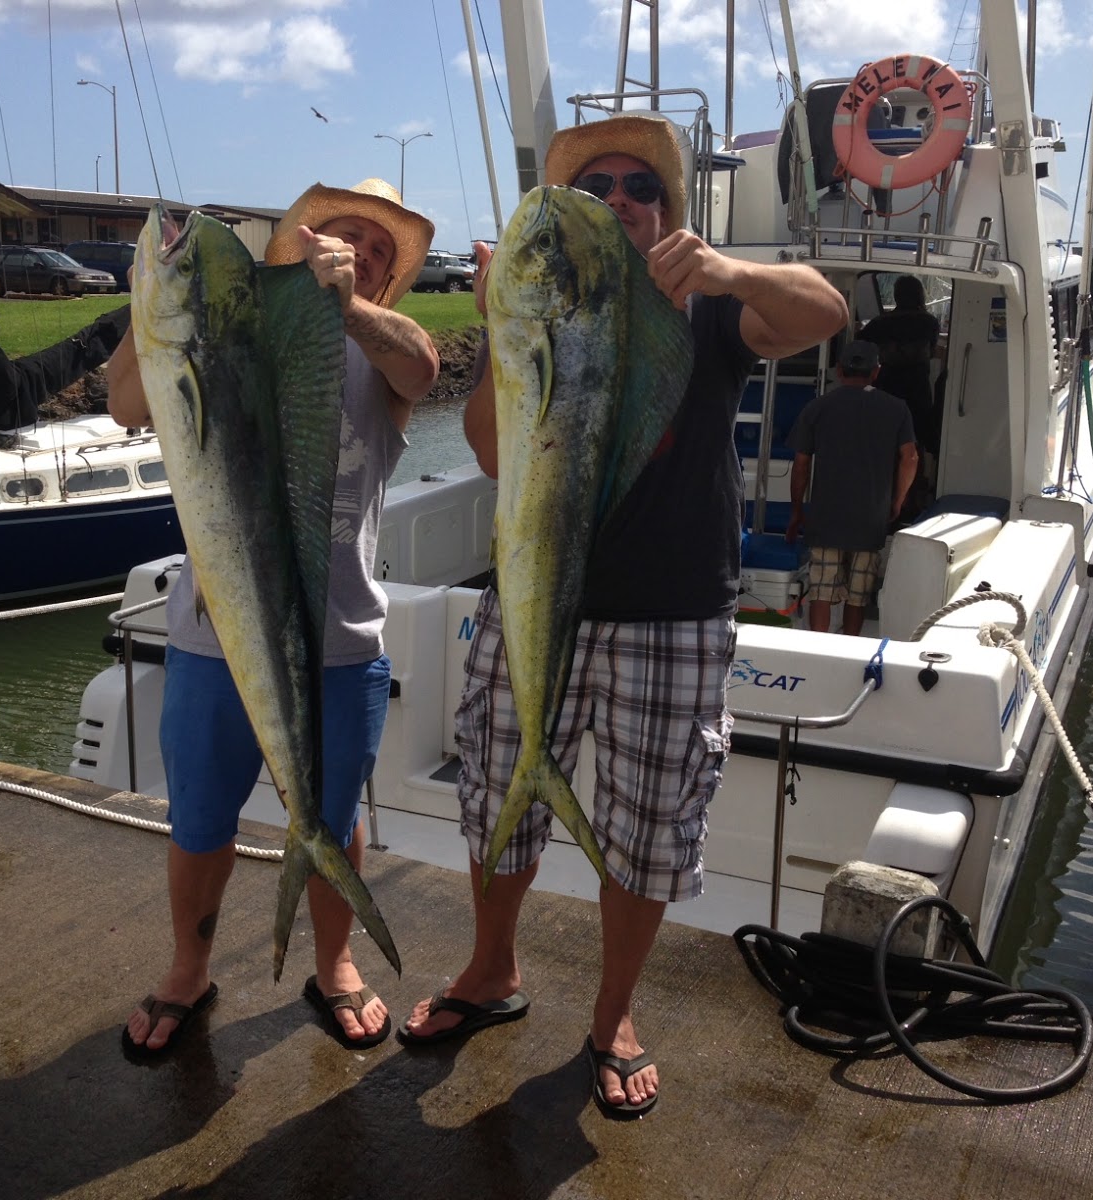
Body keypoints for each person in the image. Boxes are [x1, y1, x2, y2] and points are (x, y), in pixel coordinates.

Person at [398, 114, 848, 1119]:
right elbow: (486, 453)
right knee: (497, 803)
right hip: (533, 602)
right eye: (594, 186)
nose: (617, 199)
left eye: (638, 186)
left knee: (648, 832)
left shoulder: (708, 308)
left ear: (665, 209)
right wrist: (501, 325)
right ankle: (488, 972)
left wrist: (727, 272)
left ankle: (612, 1017)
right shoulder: (545, 309)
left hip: (675, 616)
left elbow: (822, 313)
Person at [105, 180, 440, 1054]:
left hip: (341, 642)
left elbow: (423, 366)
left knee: (331, 816)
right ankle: (189, 968)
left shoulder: (380, 349)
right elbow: (128, 405)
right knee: (201, 817)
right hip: (211, 636)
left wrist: (350, 302)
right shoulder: (234, 332)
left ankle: (335, 966)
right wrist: (160, 300)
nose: (361, 249)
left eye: (379, 248)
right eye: (346, 234)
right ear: (301, 235)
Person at [784, 340, 919, 635]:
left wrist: (797, 510)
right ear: (876, 372)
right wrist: (896, 501)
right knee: (858, 594)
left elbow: (802, 464)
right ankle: (850, 647)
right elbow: (910, 457)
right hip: (871, 518)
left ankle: (819, 649)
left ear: (839, 370)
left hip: (825, 518)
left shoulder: (817, 407)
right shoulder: (897, 409)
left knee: (821, 590)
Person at [857, 274, 940, 458]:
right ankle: (914, 481)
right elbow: (932, 352)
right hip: (918, 388)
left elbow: (860, 344)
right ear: (920, 295)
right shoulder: (930, 322)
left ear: (896, 296)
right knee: (916, 437)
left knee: (887, 436)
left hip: (888, 385)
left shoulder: (880, 323)